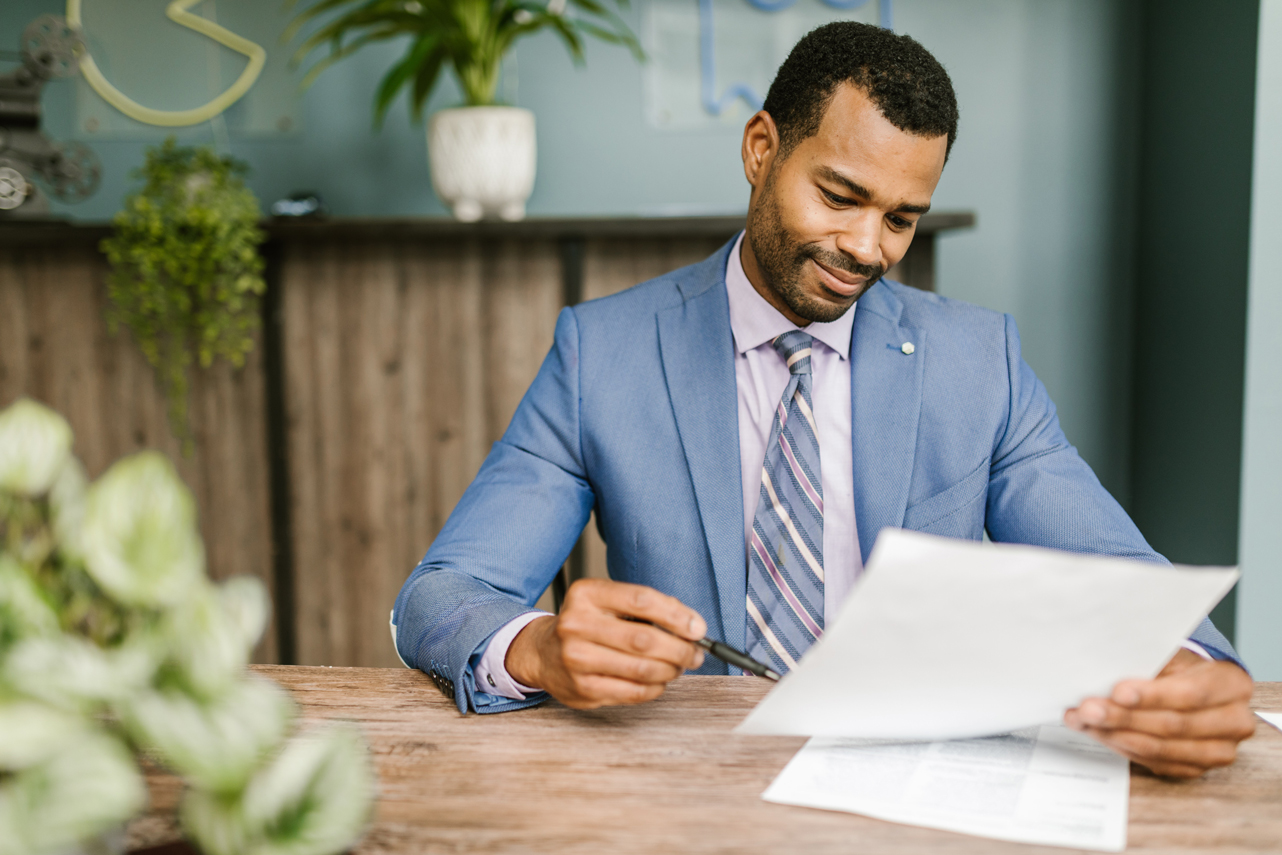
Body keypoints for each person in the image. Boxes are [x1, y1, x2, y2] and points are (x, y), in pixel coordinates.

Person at [393, 22, 1255, 778]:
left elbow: (1127, 578)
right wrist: (538, 648)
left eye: (902, 218)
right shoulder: (604, 354)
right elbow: (440, 594)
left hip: (926, 782)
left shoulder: (978, 360)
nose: (865, 248)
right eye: (840, 197)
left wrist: (1189, 669)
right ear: (761, 148)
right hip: (689, 780)